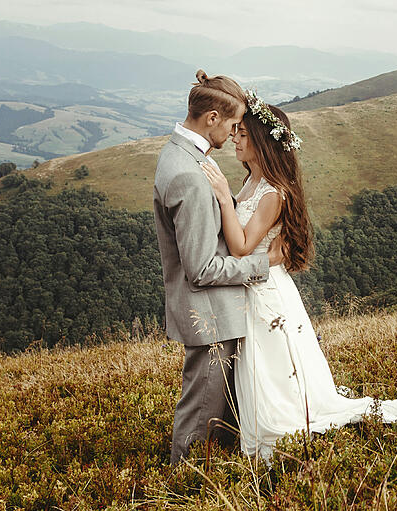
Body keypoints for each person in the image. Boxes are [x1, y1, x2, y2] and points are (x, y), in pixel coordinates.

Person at [200, 90, 397, 460]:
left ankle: (276, 432)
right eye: (235, 133)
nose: (234, 139)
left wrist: (222, 196)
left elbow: (241, 246)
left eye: (243, 135)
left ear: (263, 143)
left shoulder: (273, 193)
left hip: (265, 290)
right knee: (262, 365)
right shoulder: (252, 180)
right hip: (255, 282)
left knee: (269, 364)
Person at [153, 70, 287, 465]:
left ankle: (211, 478)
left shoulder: (179, 154)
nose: (233, 134)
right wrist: (264, 263)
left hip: (218, 312)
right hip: (209, 312)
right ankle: (185, 483)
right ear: (211, 117)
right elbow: (202, 268)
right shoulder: (190, 175)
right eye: (231, 125)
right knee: (202, 412)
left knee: (221, 411)